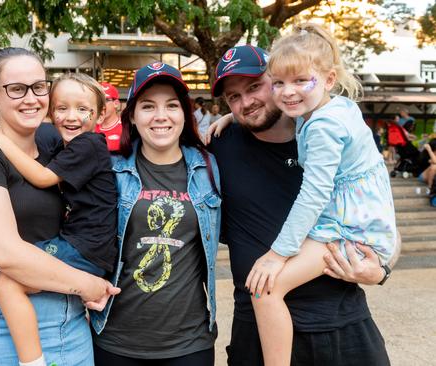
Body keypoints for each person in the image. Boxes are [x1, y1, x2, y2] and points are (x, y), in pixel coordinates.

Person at [209, 41, 398, 365]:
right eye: (233, 97)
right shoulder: (220, 146)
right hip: (258, 335)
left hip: (342, 327)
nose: (247, 102)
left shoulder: (328, 134)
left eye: (255, 86)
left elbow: (380, 216)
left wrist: (381, 270)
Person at [0, 47, 118, 366]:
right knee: (7, 283)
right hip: (2, 320)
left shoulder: (56, 143)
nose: (30, 98)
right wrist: (86, 283)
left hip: (68, 315)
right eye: (16, 88)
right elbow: (4, 252)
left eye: (38, 86)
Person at [90, 62, 221, 366]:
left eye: (172, 106)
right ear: (132, 117)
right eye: (148, 106)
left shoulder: (209, 167)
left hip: (189, 343)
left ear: (184, 114)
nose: (161, 116)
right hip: (115, 339)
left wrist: (227, 118)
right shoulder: (109, 168)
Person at [96, 81, 122, 152]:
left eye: (105, 100)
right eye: (97, 101)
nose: (101, 105)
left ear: (116, 103)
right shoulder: (89, 127)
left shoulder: (127, 129)